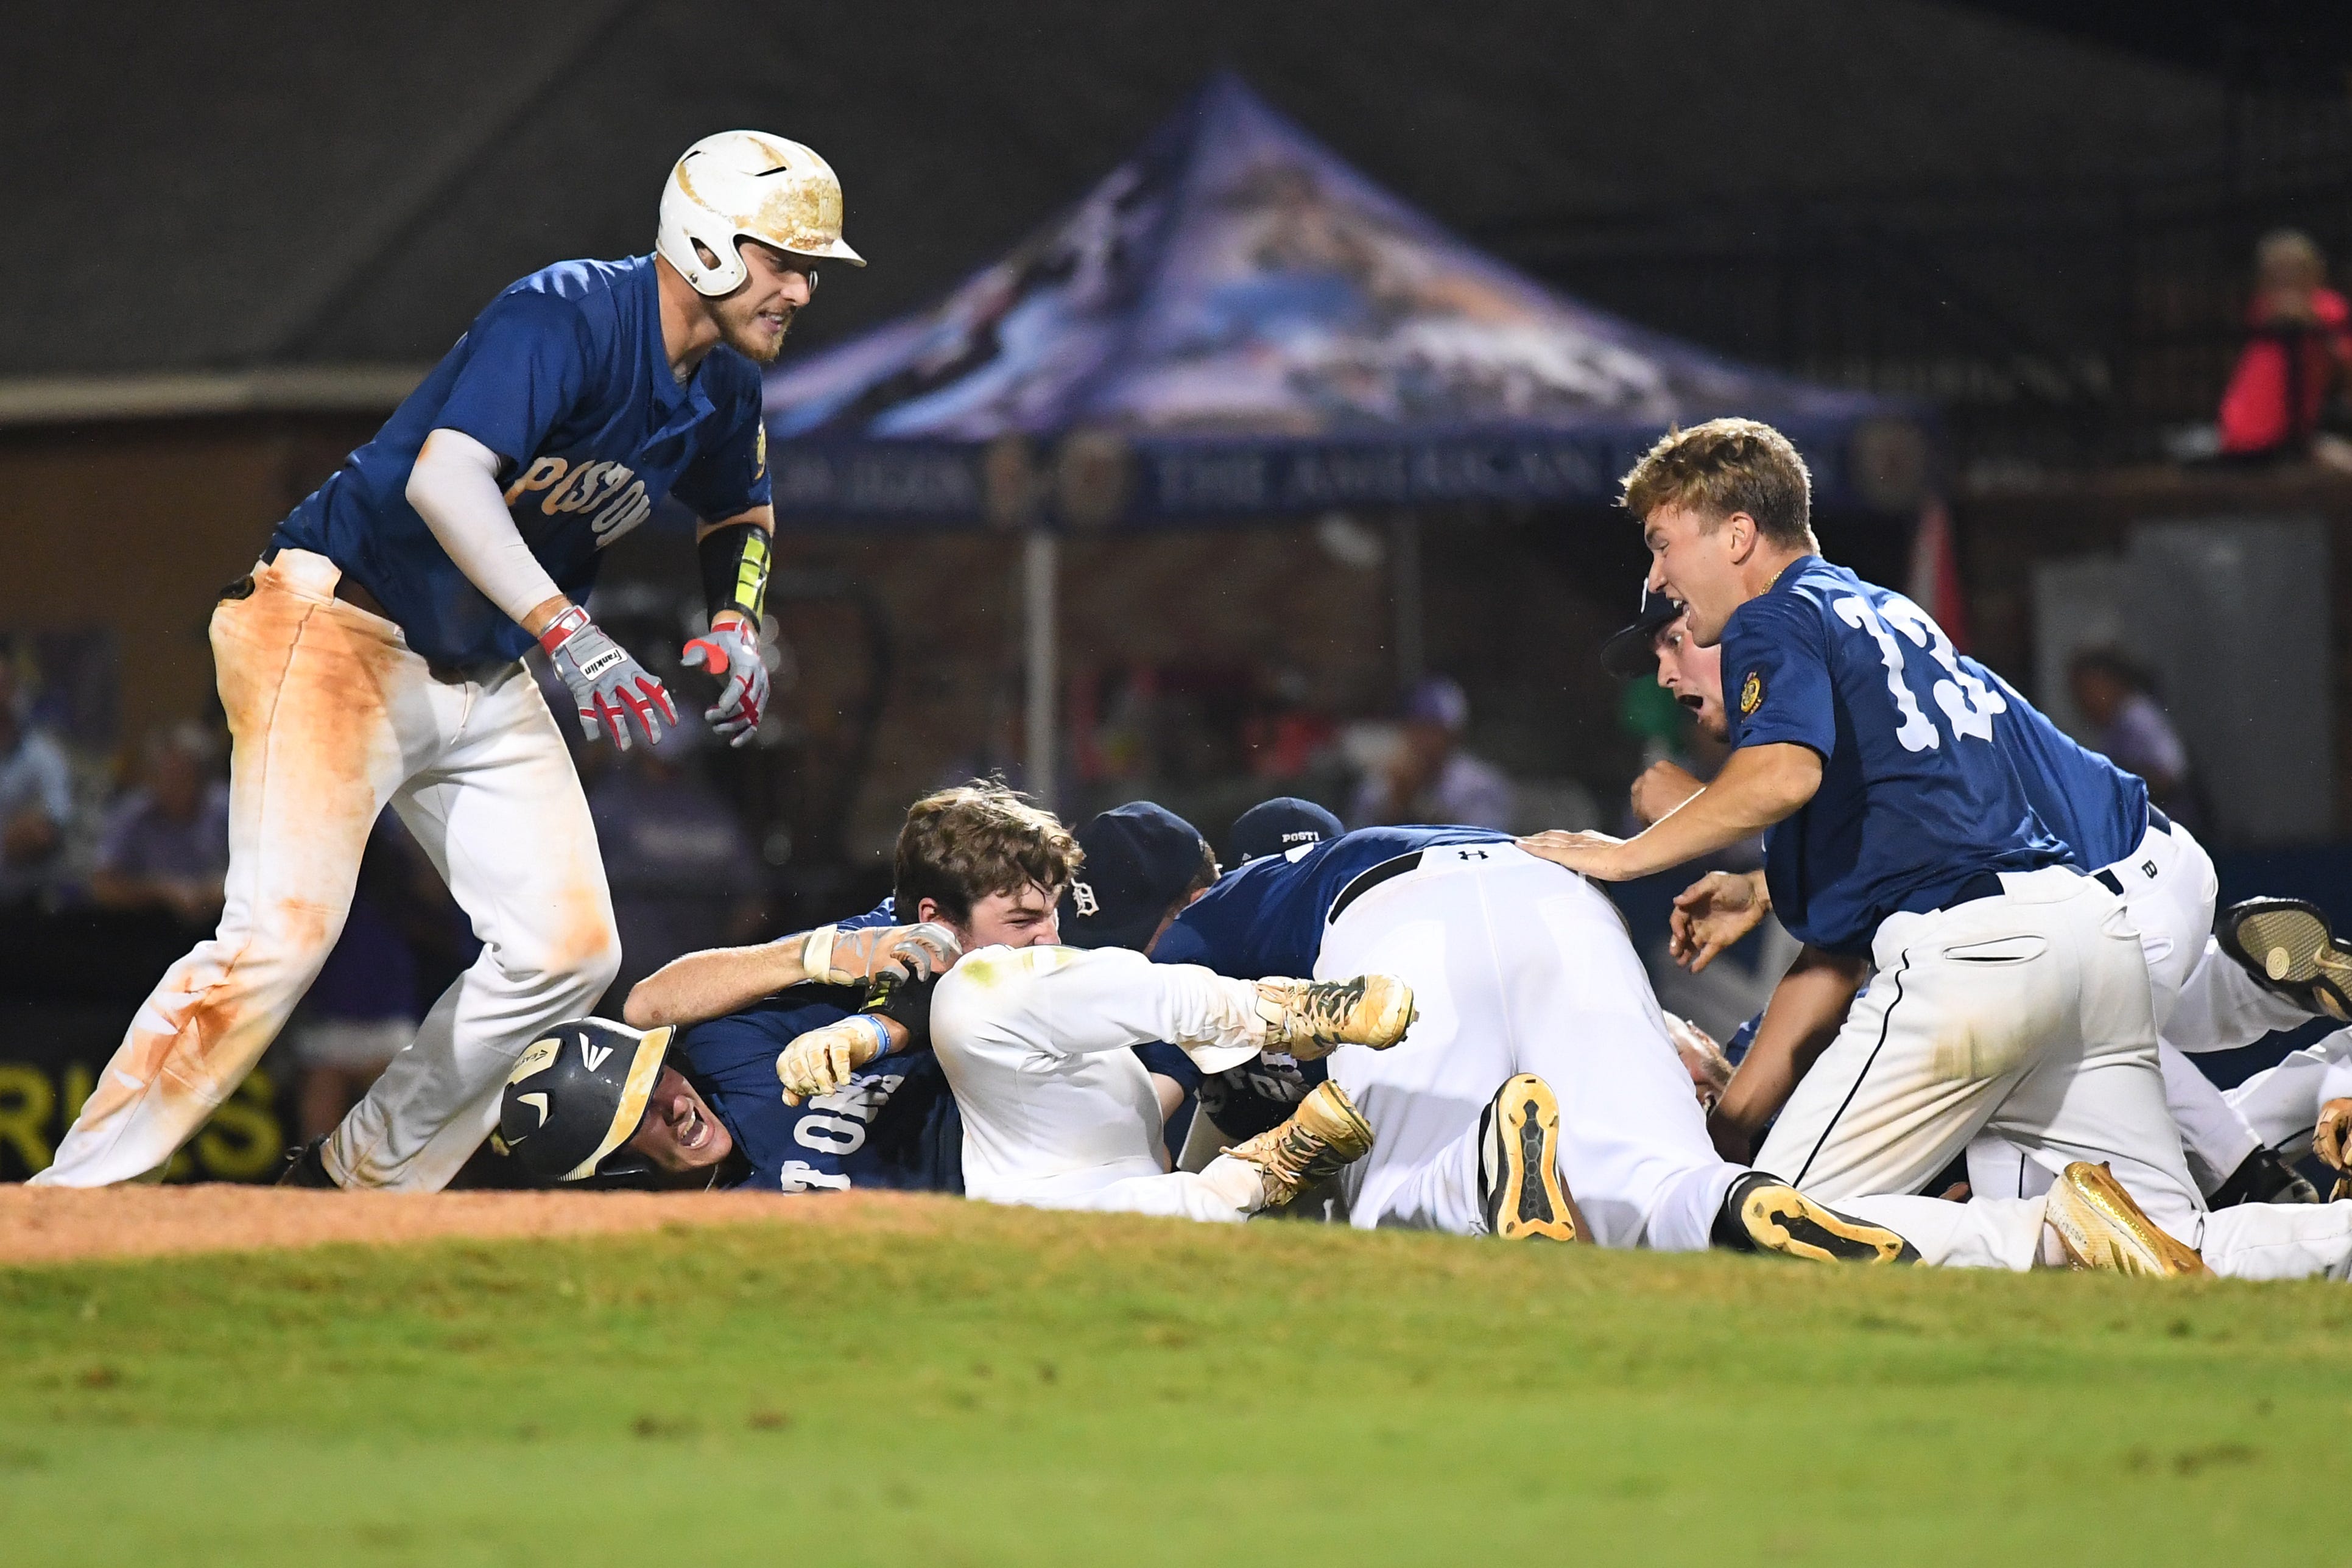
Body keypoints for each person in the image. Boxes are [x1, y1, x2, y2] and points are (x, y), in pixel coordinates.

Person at [35, 130, 857, 1191]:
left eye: (808, 268)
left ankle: (359, 1184)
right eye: (782, 258)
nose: (799, 288)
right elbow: (445, 480)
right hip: (334, 626)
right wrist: (568, 627)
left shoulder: (726, 381)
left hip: (481, 662)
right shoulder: (566, 310)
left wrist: (736, 618)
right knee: (281, 939)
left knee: (568, 952)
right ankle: (73, 1200)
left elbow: (740, 508)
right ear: (703, 243)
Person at [1523, 417, 2352, 1278]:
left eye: (1662, 543)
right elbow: (1899, 821)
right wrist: (1764, 882)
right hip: (2081, 931)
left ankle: (2053, 1231)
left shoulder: (1775, 613)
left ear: (1737, 534)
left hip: (1981, 955)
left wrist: (1624, 854)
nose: (1657, 575)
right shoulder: (1886, 612)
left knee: (1764, 1231)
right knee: (2172, 1241)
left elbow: (1779, 778)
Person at [1624, 591, 2320, 1212]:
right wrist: (1761, 882)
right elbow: (1892, 852)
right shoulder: (1852, 657)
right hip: (2109, 883)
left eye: (1678, 638)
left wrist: (1695, 815)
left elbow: (1855, 915)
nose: (1664, 671)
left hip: (2089, 883)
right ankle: (2243, 986)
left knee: (2029, 1163)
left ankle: (2242, 1167)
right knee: (2089, 1068)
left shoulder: (1800, 682)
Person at [778, 803, 1418, 1223]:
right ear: (938, 918)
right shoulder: (941, 961)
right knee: (973, 988)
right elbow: (919, 971)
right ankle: (1270, 1132)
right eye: (1023, 920)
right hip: (1029, 1212)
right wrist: (862, 1030)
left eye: (1051, 915)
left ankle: (1283, 1039)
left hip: (1116, 1172)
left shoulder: (1084, 977)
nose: (1048, 939)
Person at [2216, 229, 2351, 462]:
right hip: (2244, 435)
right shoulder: (2261, 309)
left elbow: (2342, 364)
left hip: (2294, 434)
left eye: (2296, 268)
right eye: (2277, 270)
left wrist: (2313, 322)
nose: (2287, 277)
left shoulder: (2329, 308)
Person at [89, 723, 230, 927]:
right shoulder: (132, 814)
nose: (171, 784)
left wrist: (225, 888)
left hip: (221, 923)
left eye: (183, 775)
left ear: (202, 778)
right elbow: (101, 887)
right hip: (149, 925)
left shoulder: (229, 809)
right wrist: (160, 891)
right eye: (165, 774)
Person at [1348, 675, 1513, 831]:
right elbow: (1357, 842)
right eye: (1417, 728)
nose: (1424, 740)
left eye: (1433, 730)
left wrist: (1414, 800)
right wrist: (1394, 803)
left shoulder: (1480, 785)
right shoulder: (1384, 780)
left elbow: (1482, 847)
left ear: (1454, 735)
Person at [0, 659, 73, 910]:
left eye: (4, 687)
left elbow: (45, 831)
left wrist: (25, 832)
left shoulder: (43, 757)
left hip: (25, 906)